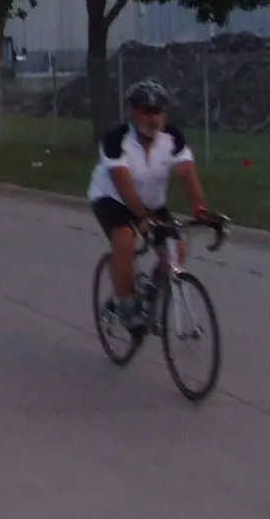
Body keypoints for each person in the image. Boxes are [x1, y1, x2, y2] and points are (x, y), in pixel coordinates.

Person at [88, 79, 215, 334]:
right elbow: (123, 184)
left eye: (158, 112)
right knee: (124, 239)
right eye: (146, 112)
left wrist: (201, 210)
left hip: (152, 203)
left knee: (176, 251)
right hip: (112, 199)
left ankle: (148, 293)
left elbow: (187, 176)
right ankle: (125, 305)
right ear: (132, 113)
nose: (153, 118)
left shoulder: (172, 139)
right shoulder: (116, 140)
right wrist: (142, 220)